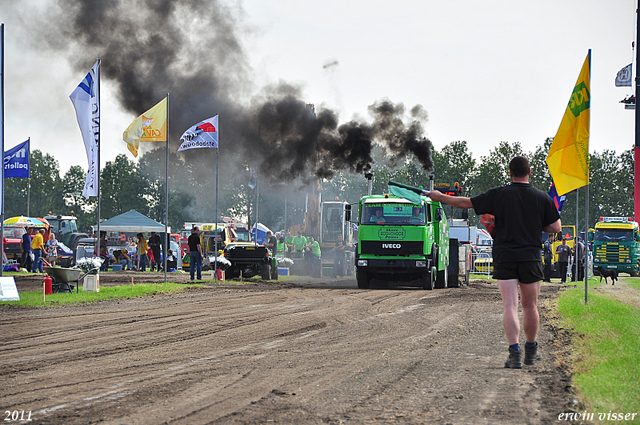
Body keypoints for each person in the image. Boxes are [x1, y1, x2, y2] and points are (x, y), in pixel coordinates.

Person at [426, 156, 561, 369]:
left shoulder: (498, 195)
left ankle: (514, 353)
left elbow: (466, 203)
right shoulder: (542, 198)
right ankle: (531, 351)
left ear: (510, 173)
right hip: (530, 257)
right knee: (530, 305)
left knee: (510, 305)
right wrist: (535, 226)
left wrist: (441, 196)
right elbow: (555, 227)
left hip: (505, 255)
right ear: (530, 172)